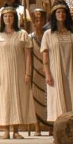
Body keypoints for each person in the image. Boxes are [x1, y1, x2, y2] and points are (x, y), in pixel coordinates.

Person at [0, 6, 34, 139]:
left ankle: (15, 130)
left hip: (19, 71)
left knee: (18, 97)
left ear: (15, 18)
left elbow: (28, 55)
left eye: (10, 16)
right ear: (2, 19)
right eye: (5, 16)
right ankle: (5, 130)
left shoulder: (22, 34)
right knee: (4, 98)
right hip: (3, 72)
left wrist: (28, 73)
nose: (8, 18)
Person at [42, 3, 73, 124]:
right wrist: (47, 74)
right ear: (54, 15)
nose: (61, 14)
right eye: (58, 12)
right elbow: (45, 56)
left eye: (63, 12)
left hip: (71, 70)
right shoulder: (48, 34)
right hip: (55, 72)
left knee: (72, 98)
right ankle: (59, 128)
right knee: (57, 99)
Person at [28, 8, 49, 136]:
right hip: (35, 69)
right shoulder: (30, 37)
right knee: (35, 99)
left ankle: (50, 125)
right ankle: (37, 126)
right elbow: (28, 55)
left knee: (48, 98)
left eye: (41, 20)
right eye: (36, 20)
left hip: (47, 69)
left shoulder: (48, 35)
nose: (39, 23)